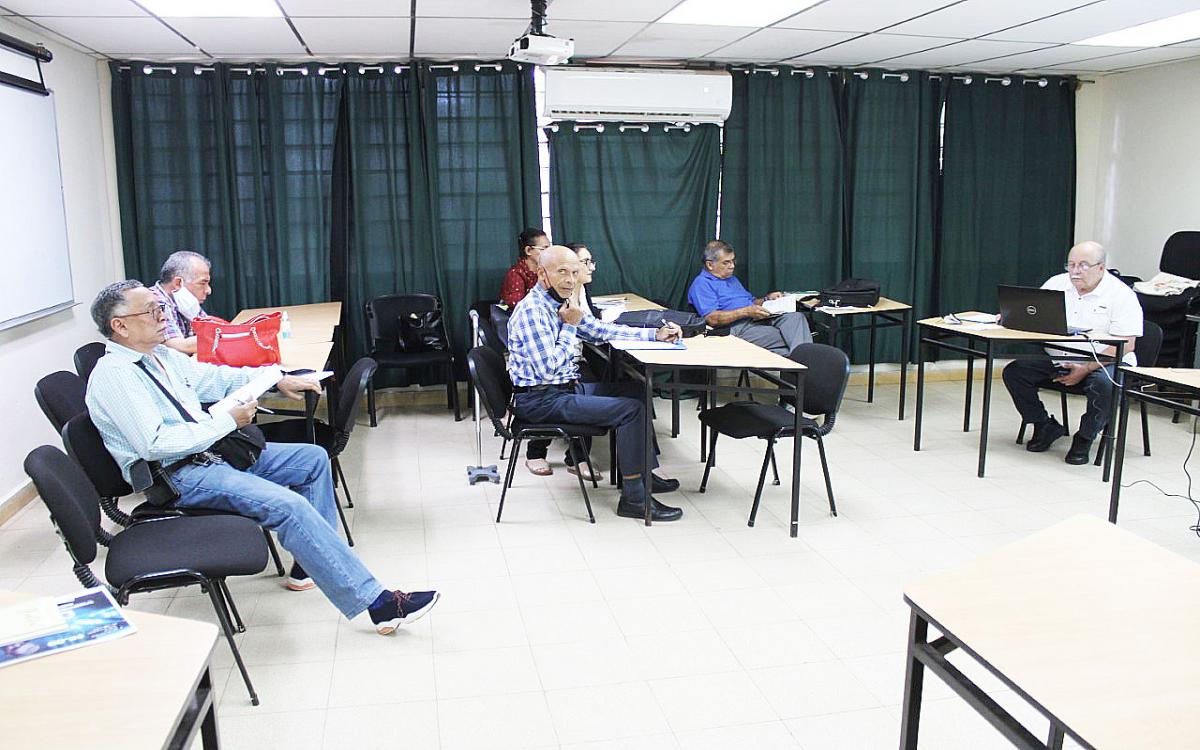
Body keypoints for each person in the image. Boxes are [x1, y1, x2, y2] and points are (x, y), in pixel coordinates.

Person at [85, 280, 439, 634]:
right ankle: (376, 604)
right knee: (289, 506)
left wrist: (277, 378)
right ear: (121, 325)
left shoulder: (160, 356)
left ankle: (309, 563)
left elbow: (217, 379)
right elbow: (156, 443)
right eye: (152, 310)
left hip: (209, 453)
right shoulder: (115, 376)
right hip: (178, 476)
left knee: (313, 459)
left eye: (160, 308)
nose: (163, 316)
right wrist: (227, 421)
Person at [507, 246, 684, 521]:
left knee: (636, 390)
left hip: (561, 390)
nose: (570, 279)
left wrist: (654, 334)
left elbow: (600, 330)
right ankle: (635, 499)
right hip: (541, 400)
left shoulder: (558, 304)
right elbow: (547, 368)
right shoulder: (532, 311)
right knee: (631, 410)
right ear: (542, 274)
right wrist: (569, 326)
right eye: (562, 272)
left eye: (575, 272)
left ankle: (642, 474)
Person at [1002, 241, 1142, 465]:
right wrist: (1011, 316)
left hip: (1105, 362)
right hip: (1061, 358)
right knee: (1015, 372)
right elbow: (1032, 316)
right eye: (1071, 264)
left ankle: (1085, 437)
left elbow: (1126, 345)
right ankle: (1043, 424)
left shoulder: (1121, 295)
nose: (1075, 271)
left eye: (1083, 265)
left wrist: (1085, 368)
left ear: (1101, 267)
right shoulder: (1057, 283)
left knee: (1105, 385)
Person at [525, 242, 599, 479]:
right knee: (566, 388)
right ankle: (536, 451)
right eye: (583, 263)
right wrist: (571, 326)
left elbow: (592, 327)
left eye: (585, 265)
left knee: (591, 386)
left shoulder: (578, 291)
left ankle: (577, 458)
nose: (591, 267)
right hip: (552, 371)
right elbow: (547, 366)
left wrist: (649, 333)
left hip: (572, 361)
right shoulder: (549, 301)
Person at [687, 239, 812, 355]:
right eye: (726, 262)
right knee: (791, 337)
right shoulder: (701, 284)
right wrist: (746, 312)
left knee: (796, 318)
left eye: (733, 261)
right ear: (710, 265)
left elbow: (751, 301)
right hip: (735, 328)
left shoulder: (732, 279)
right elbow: (712, 319)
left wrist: (767, 299)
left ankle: (801, 365)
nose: (732, 266)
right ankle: (806, 367)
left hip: (758, 319)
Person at [149, 250, 212, 355]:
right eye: (202, 283)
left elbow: (210, 330)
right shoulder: (155, 301)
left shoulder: (184, 300)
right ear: (178, 283)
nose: (208, 290)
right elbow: (179, 347)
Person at [499, 228, 550, 308]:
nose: (549, 252)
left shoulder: (547, 271)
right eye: (544, 248)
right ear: (528, 250)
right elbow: (519, 306)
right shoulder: (515, 274)